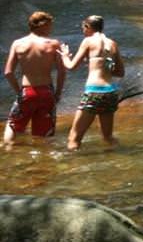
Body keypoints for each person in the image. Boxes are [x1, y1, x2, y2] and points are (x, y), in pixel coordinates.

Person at [58, 15, 124, 151]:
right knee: (108, 137)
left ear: (87, 27)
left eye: (83, 28)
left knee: (74, 138)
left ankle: (72, 168)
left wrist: (64, 56)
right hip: (110, 92)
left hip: (94, 92)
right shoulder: (112, 43)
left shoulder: (88, 41)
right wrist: (100, 65)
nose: (83, 31)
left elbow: (71, 66)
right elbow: (120, 72)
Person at [3, 11, 65, 146]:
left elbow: (8, 72)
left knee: (13, 126)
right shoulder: (53, 44)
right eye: (50, 26)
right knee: (44, 137)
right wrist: (58, 93)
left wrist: (19, 92)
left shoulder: (18, 43)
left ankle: (9, 152)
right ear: (44, 25)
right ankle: (42, 162)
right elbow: (62, 71)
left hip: (27, 92)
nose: (51, 29)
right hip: (47, 93)